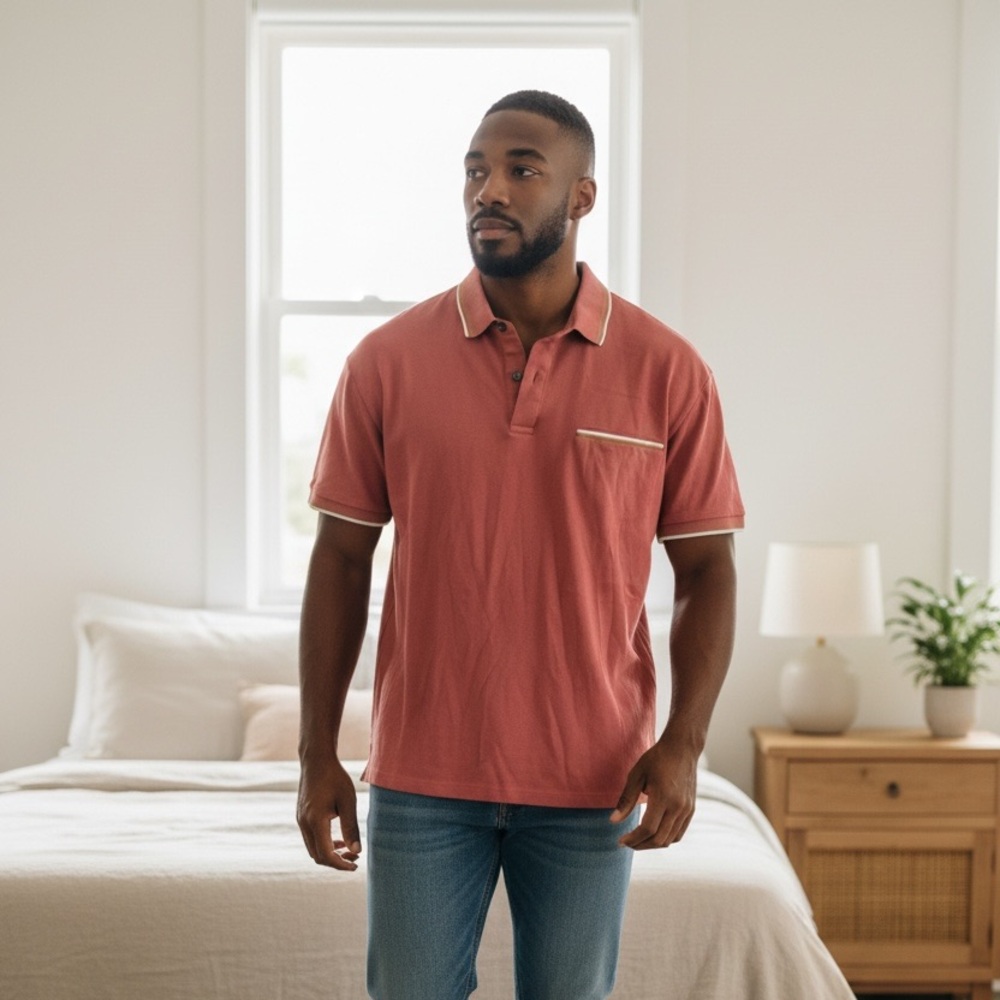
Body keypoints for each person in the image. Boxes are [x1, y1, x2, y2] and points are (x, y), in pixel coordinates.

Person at [297, 89, 744, 1000]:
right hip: (424, 776)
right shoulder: (384, 363)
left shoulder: (667, 369)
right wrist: (314, 755)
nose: (486, 190)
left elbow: (706, 568)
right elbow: (341, 558)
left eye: (520, 170)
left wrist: (685, 744)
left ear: (581, 197)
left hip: (595, 779)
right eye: (474, 169)